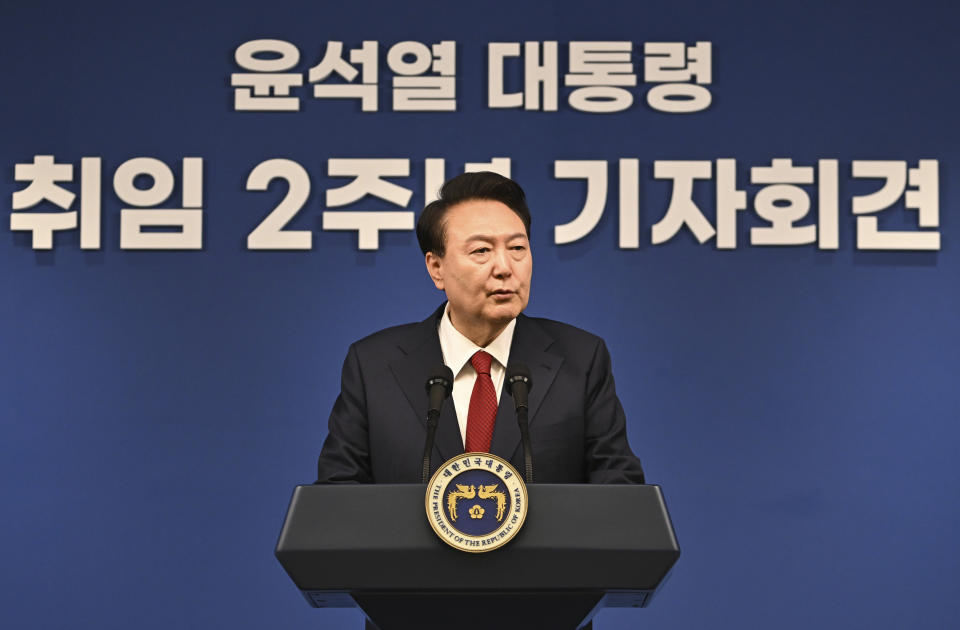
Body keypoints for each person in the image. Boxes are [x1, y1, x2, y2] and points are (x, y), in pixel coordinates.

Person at [316, 172, 644, 484]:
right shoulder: (373, 365)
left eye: (517, 248)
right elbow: (338, 499)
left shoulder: (581, 359)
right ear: (436, 268)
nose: (504, 268)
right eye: (481, 251)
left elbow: (619, 493)